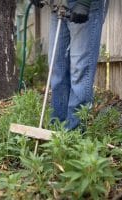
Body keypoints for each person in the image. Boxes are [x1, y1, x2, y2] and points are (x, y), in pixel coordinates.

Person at [31, 0, 108, 130]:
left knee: (80, 70)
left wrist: (84, 2)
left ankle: (73, 134)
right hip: (58, 5)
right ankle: (57, 131)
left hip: (86, 6)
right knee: (57, 70)